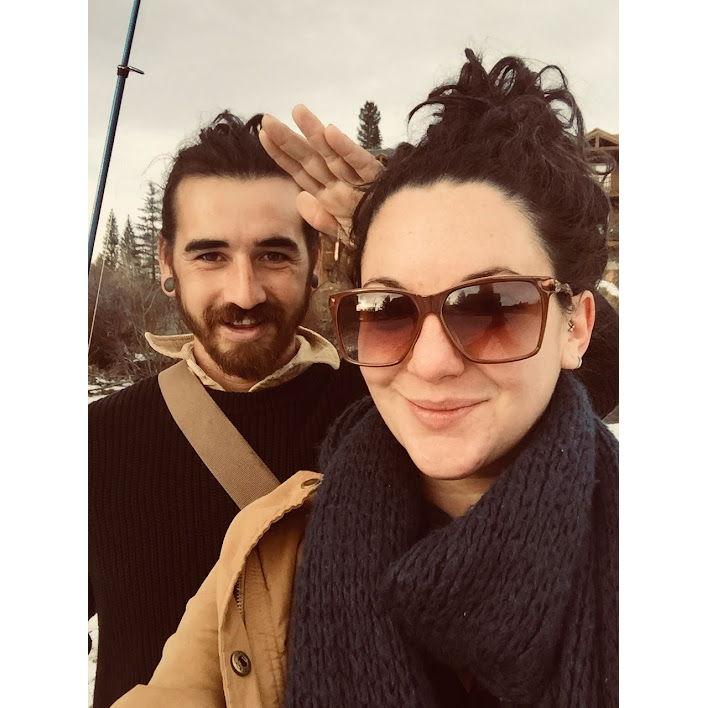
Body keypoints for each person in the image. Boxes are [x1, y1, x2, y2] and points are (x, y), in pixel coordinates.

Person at [114, 49, 618, 707]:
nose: (429, 362)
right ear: (166, 262)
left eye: (492, 306)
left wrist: (419, 221)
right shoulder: (271, 545)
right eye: (388, 308)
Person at [88, 111, 372, 708]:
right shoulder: (94, 441)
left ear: (317, 260)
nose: (244, 293)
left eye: (273, 255)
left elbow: (574, 386)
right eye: (210, 256)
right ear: (166, 263)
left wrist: (403, 231)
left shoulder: (394, 413)